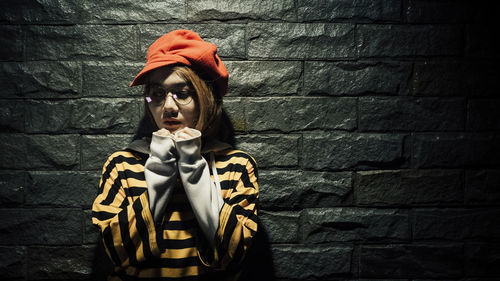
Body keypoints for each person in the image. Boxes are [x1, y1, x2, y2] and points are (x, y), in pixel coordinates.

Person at [92, 30, 259, 280]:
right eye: (157, 94)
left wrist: (192, 167)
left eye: (182, 93)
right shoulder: (122, 165)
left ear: (206, 98)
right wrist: (159, 169)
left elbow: (233, 255)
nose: (168, 106)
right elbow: (119, 253)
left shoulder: (237, 165)